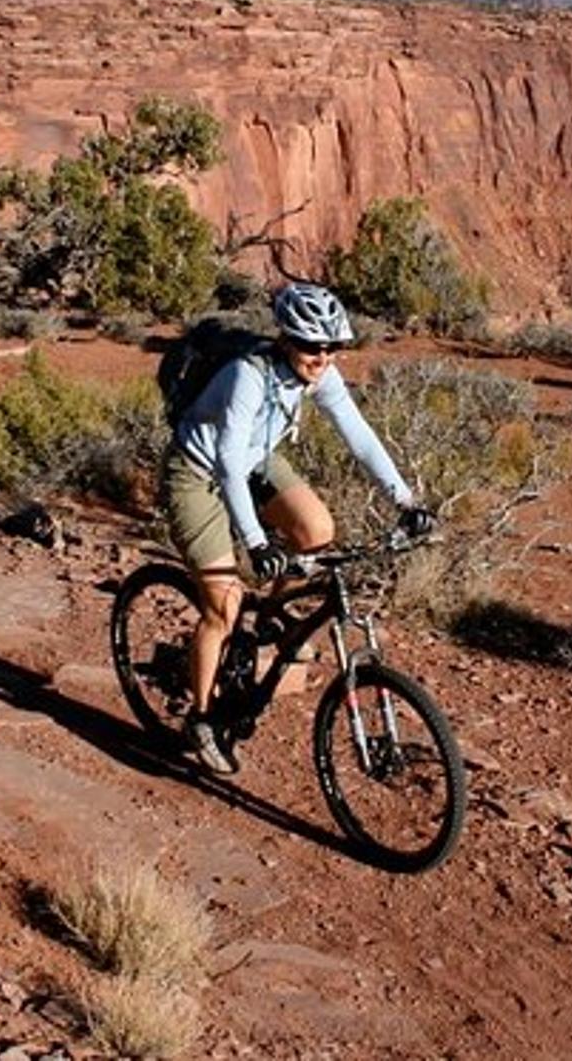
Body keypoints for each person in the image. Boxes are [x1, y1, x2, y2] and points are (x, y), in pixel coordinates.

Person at [162, 283, 434, 774]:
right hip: (197, 474)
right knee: (222, 607)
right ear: (286, 338)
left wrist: (407, 501)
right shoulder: (249, 373)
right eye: (312, 345)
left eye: (332, 347)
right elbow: (225, 463)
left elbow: (361, 439)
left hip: (255, 462)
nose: (323, 356)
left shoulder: (320, 376)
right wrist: (257, 541)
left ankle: (269, 623)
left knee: (315, 529)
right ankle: (201, 719)